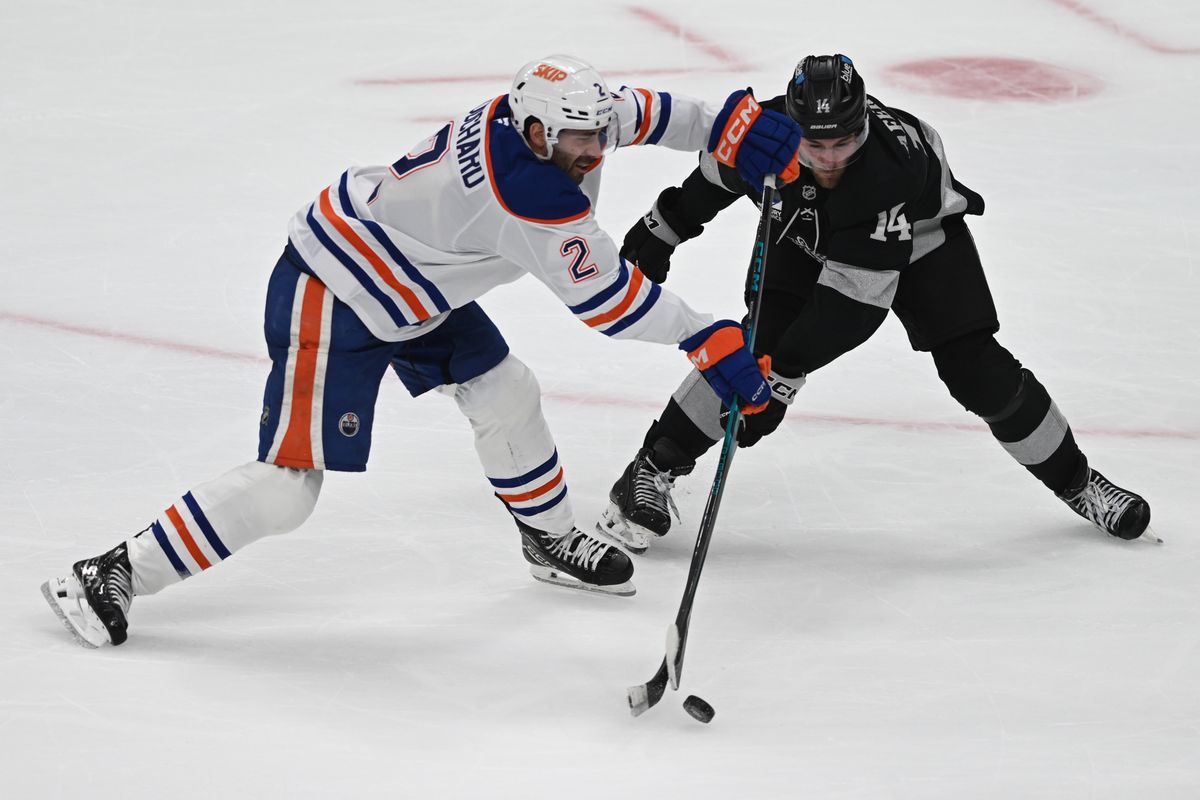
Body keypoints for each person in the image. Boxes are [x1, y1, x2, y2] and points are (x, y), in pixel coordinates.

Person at [42, 54, 805, 648]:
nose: (595, 148)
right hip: (338, 286)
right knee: (287, 487)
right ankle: (110, 571)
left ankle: (545, 537)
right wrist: (706, 335)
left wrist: (722, 126)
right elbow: (608, 301)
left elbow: (643, 111)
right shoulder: (528, 195)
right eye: (581, 139)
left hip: (412, 283)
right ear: (537, 132)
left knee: (507, 392)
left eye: (596, 132)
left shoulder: (551, 119)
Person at [599, 54, 1154, 554]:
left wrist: (784, 381)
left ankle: (1078, 483)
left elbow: (850, 311)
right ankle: (651, 466)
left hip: (921, 241)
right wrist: (664, 228)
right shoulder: (763, 133)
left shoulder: (892, 171)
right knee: (750, 350)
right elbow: (712, 179)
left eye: (843, 142)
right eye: (815, 146)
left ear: (863, 122)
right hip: (807, 227)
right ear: (792, 127)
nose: (830, 157)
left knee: (977, 372)